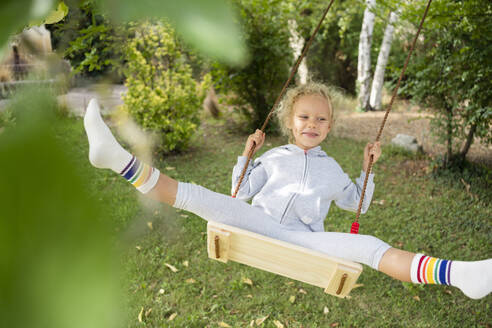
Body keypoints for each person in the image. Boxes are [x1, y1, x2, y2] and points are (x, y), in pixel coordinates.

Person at [83, 82, 491, 300]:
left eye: (321, 119)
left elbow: (356, 203)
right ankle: (117, 159)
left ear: (329, 127)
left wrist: (368, 169)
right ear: (291, 122)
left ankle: (461, 274)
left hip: (307, 241)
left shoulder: (332, 170)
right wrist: (247, 154)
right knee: (201, 199)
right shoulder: (274, 157)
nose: (312, 123)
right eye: (305, 116)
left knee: (367, 246)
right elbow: (240, 194)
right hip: (258, 222)